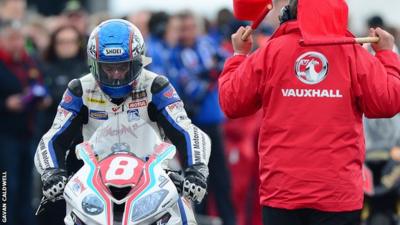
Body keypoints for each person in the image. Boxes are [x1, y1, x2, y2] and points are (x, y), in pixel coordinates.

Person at [218, 0, 400, 224]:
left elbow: (231, 101)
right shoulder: (353, 53)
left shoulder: (271, 52)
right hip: (337, 195)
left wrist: (238, 56)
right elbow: (388, 102)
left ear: (290, 13)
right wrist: (386, 54)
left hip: (282, 194)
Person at [34, 19, 211, 224]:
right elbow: (53, 137)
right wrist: (52, 173)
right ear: (94, 64)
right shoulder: (79, 89)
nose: (116, 75)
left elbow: (187, 131)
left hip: (153, 181)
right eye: (108, 68)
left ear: (137, 61)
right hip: (95, 186)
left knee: (185, 217)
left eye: (123, 67)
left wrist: (197, 170)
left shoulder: (156, 85)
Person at [171, 10, 236, 225]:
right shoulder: (175, 54)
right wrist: (209, 72)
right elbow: (190, 88)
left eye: (191, 28)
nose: (187, 33)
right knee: (197, 181)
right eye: (183, 29)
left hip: (213, 121)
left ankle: (229, 221)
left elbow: (226, 62)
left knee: (222, 180)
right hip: (192, 125)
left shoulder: (206, 44)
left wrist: (207, 73)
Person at [0, 20, 50, 225]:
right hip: (5, 134)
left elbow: (41, 85)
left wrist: (42, 98)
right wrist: (5, 104)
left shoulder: (31, 62)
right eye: (11, 38)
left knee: (28, 186)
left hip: (29, 132)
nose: (17, 43)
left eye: (20, 38)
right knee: (7, 186)